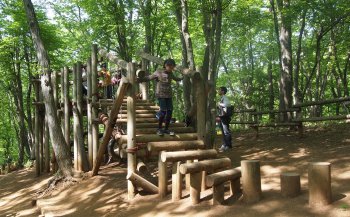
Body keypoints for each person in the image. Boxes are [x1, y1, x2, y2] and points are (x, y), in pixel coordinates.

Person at [139, 58, 183, 136]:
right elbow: (149, 77)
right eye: (170, 67)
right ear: (166, 66)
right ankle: (159, 129)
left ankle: (166, 129)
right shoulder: (158, 72)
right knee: (163, 111)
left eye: (173, 67)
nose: (171, 69)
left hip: (168, 95)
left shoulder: (171, 73)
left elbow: (176, 79)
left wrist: (182, 77)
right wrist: (140, 79)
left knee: (170, 111)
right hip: (161, 94)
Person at [217, 86, 233, 152]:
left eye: (220, 90)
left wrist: (219, 104)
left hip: (225, 117)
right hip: (222, 116)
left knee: (226, 131)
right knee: (222, 131)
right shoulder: (222, 98)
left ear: (223, 91)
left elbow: (228, 104)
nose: (218, 91)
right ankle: (224, 144)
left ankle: (228, 145)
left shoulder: (225, 98)